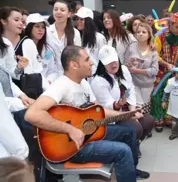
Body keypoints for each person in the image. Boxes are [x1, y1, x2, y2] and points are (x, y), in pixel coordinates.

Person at [24, 45, 150, 181]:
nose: (92, 63)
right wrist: (69, 129)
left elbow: (99, 110)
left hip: (88, 134)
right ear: (74, 65)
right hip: (73, 146)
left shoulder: (84, 84)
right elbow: (32, 114)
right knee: (123, 151)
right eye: (87, 59)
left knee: (129, 131)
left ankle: (130, 169)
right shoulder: (61, 85)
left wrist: (128, 114)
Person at [91, 45, 154, 157]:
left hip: (127, 109)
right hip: (112, 116)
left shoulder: (124, 70)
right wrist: (121, 106)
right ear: (102, 63)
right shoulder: (98, 81)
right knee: (136, 128)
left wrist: (133, 110)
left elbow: (130, 90)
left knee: (149, 120)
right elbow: (107, 106)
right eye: (109, 62)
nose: (114, 64)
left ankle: (135, 143)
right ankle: (127, 148)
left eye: (115, 60)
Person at [152, 12, 178, 132]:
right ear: (170, 24)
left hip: (175, 73)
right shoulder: (160, 36)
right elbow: (154, 54)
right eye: (177, 27)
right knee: (158, 96)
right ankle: (158, 118)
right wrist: (165, 64)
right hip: (159, 72)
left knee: (172, 96)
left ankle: (168, 118)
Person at [124, 23, 159, 105]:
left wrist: (137, 70)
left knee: (145, 107)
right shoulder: (131, 46)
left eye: (144, 32)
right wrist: (129, 62)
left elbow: (154, 71)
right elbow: (124, 64)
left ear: (149, 35)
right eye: (138, 32)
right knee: (137, 106)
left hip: (147, 85)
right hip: (133, 83)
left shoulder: (153, 50)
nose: (140, 34)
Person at [0, 84, 29, 160]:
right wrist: (22, 152)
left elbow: (4, 102)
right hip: (6, 162)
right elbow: (4, 125)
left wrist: (22, 104)